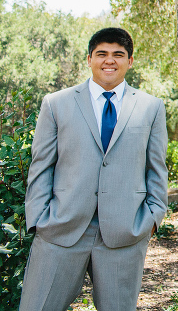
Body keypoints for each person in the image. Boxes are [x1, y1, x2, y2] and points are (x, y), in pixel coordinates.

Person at [19, 27, 168, 311]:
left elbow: (156, 169)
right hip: (59, 230)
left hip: (125, 233)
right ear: (89, 59)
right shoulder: (56, 103)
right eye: (101, 54)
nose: (109, 60)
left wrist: (152, 218)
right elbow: (41, 167)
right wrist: (38, 220)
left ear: (130, 61)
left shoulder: (151, 107)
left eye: (118, 54)